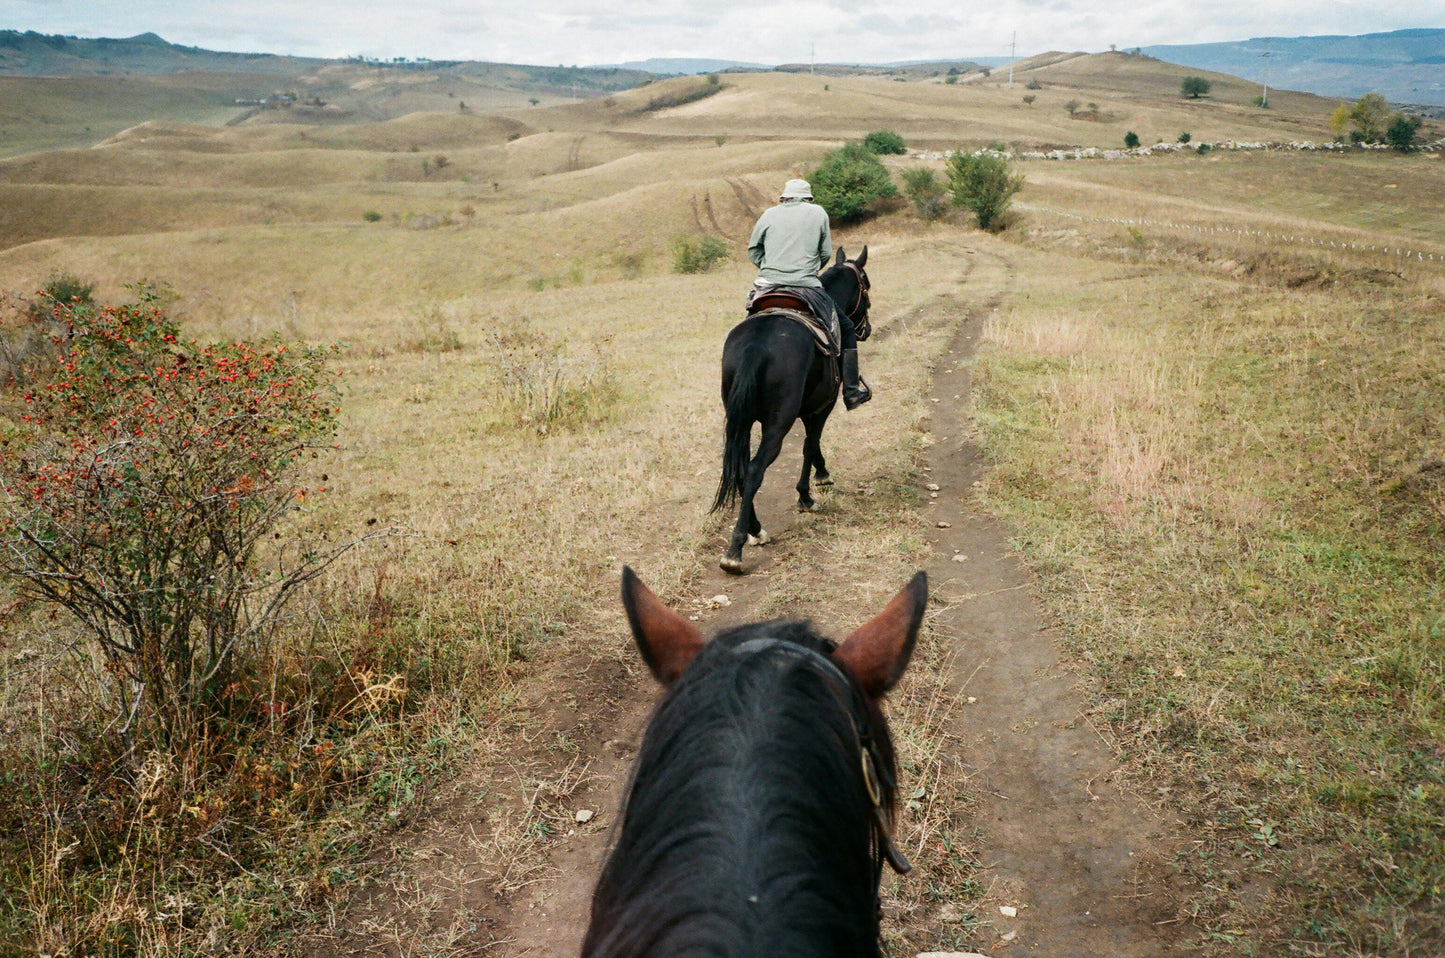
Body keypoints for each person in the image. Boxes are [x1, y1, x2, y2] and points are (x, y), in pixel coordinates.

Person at [746, 178, 871, 410]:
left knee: (751, 324)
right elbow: (825, 254)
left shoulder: (768, 214)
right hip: (806, 285)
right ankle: (852, 391)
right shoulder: (818, 213)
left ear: (784, 197)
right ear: (808, 198)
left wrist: (772, 266)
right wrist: (807, 269)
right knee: (844, 327)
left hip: (768, 285)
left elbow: (753, 251)